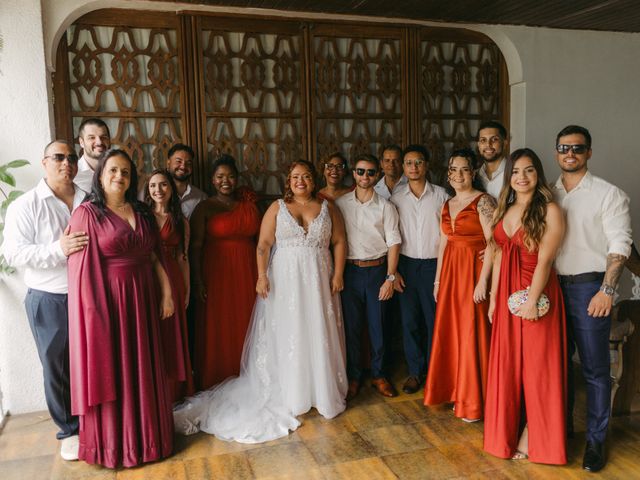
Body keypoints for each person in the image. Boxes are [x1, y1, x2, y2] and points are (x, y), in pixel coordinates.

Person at [174, 160, 348, 443]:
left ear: (314, 180)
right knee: (290, 334)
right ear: (288, 181)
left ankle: (320, 391)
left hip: (319, 280)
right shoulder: (278, 208)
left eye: (305, 176)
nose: (300, 181)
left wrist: (338, 274)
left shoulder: (328, 208)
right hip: (286, 282)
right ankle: (293, 391)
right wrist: (261, 276)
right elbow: (263, 245)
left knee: (318, 331)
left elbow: (339, 241)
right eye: (294, 177)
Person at [67, 149, 175, 468]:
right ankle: (117, 446)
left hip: (143, 298)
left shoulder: (141, 212)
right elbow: (80, 270)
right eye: (113, 170)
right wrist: (93, 314)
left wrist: (166, 292)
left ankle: (150, 441)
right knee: (115, 367)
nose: (119, 177)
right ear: (100, 176)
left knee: (143, 364)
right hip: (108, 304)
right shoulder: (87, 213)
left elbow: (154, 257)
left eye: (126, 172)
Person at [551, 125, 632, 472]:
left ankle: (596, 442)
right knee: (556, 365)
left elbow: (620, 245)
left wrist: (607, 291)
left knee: (595, 370)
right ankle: (562, 431)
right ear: (557, 151)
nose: (570, 153)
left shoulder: (609, 194)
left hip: (590, 288)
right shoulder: (546, 192)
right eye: (564, 148)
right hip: (551, 288)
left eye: (578, 148)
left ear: (589, 153)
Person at [2, 140, 88, 461]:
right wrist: (58, 249)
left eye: (71, 157)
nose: (67, 163)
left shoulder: (87, 199)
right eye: (59, 157)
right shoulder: (26, 204)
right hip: (50, 298)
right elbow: (12, 253)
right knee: (58, 366)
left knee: (88, 362)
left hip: (86, 296)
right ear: (44, 162)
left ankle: (90, 422)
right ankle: (68, 430)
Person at [483, 148, 567, 465]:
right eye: (516, 172)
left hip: (538, 294)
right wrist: (493, 299)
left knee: (538, 369)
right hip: (506, 294)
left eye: (529, 170)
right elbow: (500, 252)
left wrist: (532, 300)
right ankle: (502, 436)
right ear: (509, 177)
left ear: (538, 175)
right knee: (508, 367)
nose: (522, 177)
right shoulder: (505, 208)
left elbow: (546, 258)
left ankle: (535, 438)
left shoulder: (549, 210)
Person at [423, 148, 494, 421]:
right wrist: (438, 280)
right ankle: (457, 392)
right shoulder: (446, 203)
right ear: (448, 173)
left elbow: (494, 245)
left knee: (471, 332)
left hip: (474, 273)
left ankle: (474, 401)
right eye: (454, 169)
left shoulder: (484, 201)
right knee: (452, 332)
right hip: (452, 273)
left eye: (465, 169)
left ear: (473, 172)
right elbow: (443, 243)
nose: (459, 174)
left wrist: (483, 281)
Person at [189, 155, 261, 389]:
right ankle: (219, 376)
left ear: (237, 178)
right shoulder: (204, 207)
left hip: (248, 271)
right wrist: (198, 281)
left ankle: (249, 376)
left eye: (230, 176)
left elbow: (263, 240)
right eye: (220, 176)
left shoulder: (249, 205)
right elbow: (196, 246)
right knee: (220, 325)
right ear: (212, 179)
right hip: (217, 274)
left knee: (247, 320)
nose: (226, 181)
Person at [337, 154, 401, 399]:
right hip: (350, 271)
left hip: (377, 271)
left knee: (379, 326)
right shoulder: (341, 204)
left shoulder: (386, 207)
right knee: (351, 328)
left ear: (377, 176)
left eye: (371, 172)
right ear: (353, 173)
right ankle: (354, 377)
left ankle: (379, 375)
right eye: (361, 171)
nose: (365, 176)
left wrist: (390, 278)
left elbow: (394, 243)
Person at [389, 145, 448, 394]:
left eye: (418, 162)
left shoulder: (442, 196)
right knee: (410, 320)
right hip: (407, 264)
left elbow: (449, 234)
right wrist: (395, 271)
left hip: (434, 265)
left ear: (426, 165)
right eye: (409, 163)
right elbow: (391, 235)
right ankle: (415, 372)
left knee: (434, 320)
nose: (414, 167)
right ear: (403, 167)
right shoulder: (396, 197)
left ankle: (436, 372)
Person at [145, 168, 195, 402]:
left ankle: (174, 390)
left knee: (173, 333)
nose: (158, 190)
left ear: (171, 189)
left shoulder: (180, 220)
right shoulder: (142, 217)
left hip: (173, 277)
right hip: (148, 278)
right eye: (153, 185)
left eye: (163, 185)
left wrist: (186, 289)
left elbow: (184, 258)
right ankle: (154, 388)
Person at [165, 143, 208, 219]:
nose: (183, 166)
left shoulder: (201, 198)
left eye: (188, 163)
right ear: (168, 163)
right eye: (178, 161)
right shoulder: (156, 193)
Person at [74, 118, 111, 192]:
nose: (99, 142)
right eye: (92, 138)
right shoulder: (73, 174)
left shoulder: (118, 170)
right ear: (81, 142)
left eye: (104, 137)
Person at [476, 120, 508, 199]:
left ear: (505, 143)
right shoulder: (474, 176)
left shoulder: (515, 174)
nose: (488, 145)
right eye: (483, 140)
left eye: (494, 139)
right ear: (479, 145)